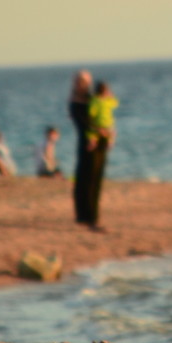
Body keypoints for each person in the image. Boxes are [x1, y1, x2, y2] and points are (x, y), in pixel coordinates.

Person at [76, 80, 117, 230]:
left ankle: (107, 141)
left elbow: (112, 104)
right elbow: (90, 116)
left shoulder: (98, 101)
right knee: (91, 176)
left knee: (110, 133)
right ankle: (89, 217)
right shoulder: (98, 102)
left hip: (104, 129)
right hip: (99, 129)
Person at [68, 69, 94, 224]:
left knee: (92, 178)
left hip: (95, 141)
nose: (83, 84)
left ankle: (91, 213)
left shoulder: (91, 98)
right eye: (80, 81)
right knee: (83, 177)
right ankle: (81, 214)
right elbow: (82, 122)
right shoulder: (74, 101)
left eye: (85, 82)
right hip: (84, 140)